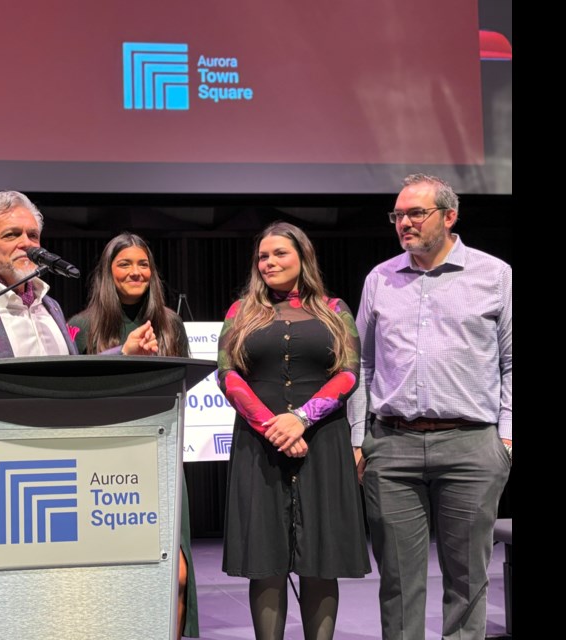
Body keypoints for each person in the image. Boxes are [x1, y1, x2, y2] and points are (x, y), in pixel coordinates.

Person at [347, 174, 512, 640]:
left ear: (449, 216)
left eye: (416, 213)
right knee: (398, 582)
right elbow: (361, 362)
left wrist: (506, 438)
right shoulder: (379, 277)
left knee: (467, 580)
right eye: (398, 215)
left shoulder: (494, 275)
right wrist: (360, 440)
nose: (404, 223)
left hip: (471, 445)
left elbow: (511, 360)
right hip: (392, 446)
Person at [216, 221, 370, 640]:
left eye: (279, 253)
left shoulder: (336, 310)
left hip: (323, 442)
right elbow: (227, 375)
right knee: (265, 561)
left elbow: (349, 373)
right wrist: (272, 425)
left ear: (303, 257)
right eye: (262, 256)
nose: (268, 262)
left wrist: (301, 417)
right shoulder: (240, 312)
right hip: (258, 444)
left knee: (321, 558)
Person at [0, 190, 159, 422]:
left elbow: (68, 377)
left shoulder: (50, 306)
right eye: (12, 234)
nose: (27, 243)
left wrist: (123, 353)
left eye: (32, 235)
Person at [67, 232, 199, 639]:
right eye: (124, 264)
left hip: (159, 459)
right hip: (100, 466)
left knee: (175, 576)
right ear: (108, 272)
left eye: (143, 264)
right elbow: (71, 393)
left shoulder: (170, 323)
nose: (135, 272)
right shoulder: (80, 325)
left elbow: (184, 384)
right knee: (114, 579)